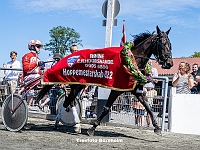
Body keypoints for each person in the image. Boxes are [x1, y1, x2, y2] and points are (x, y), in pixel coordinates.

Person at [21, 39, 44, 108]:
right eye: (38, 46)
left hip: (36, 77)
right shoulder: (27, 56)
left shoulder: (38, 58)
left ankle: (37, 101)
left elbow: (39, 70)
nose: (39, 49)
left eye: (40, 47)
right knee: (39, 77)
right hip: (28, 77)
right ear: (32, 47)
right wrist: (36, 63)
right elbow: (26, 69)